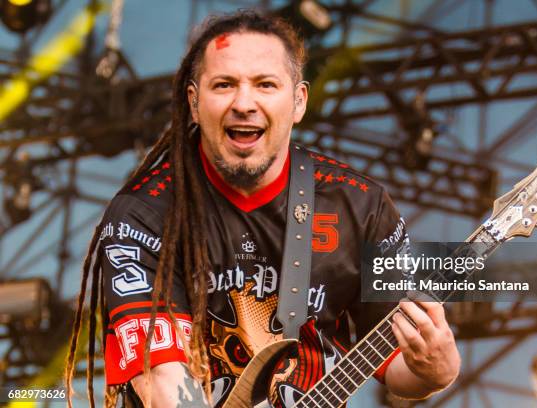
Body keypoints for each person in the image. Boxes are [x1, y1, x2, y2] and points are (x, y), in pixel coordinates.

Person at [65, 11, 460, 408]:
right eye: (224, 85)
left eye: (265, 84)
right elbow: (164, 382)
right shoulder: (145, 214)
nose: (244, 103)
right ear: (194, 102)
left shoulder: (359, 205)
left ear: (299, 102)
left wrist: (434, 371)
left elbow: (396, 368)